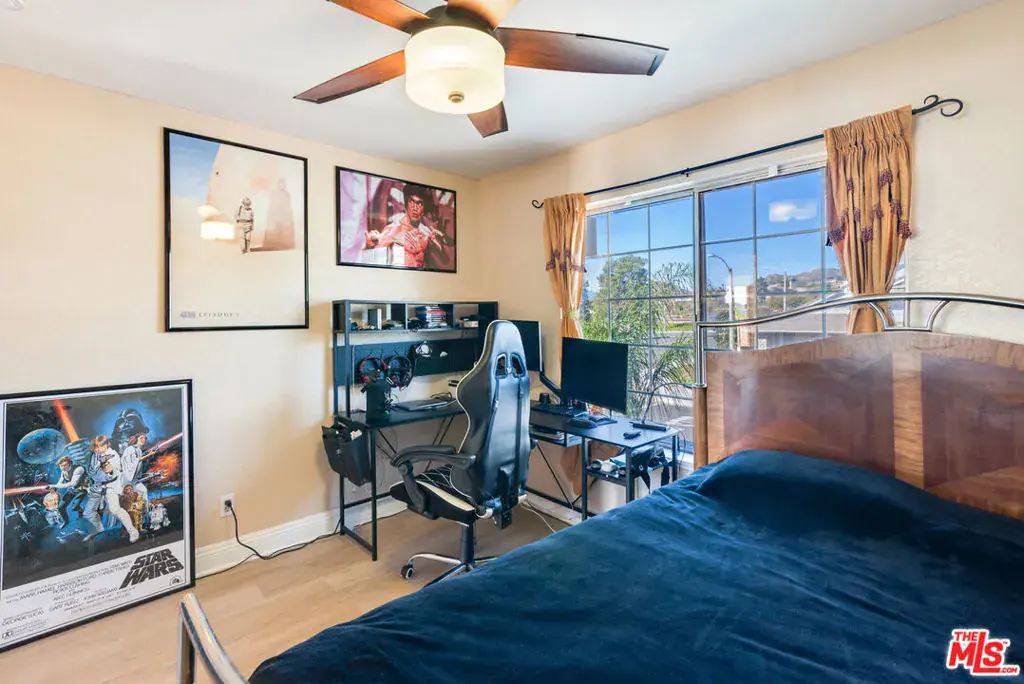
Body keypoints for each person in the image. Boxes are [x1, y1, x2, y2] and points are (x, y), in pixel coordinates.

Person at [365, 184, 445, 269]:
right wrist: (371, 245)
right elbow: (375, 256)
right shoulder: (394, 229)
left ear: (423, 210)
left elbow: (442, 264)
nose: (415, 208)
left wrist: (437, 247)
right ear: (406, 205)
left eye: (419, 203)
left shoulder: (426, 234)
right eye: (412, 202)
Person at [82, 435, 139, 543]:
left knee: (114, 509)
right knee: (88, 511)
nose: (98, 448)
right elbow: (92, 470)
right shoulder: (95, 454)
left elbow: (114, 471)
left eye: (101, 446)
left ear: (107, 444)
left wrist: (109, 471)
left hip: (110, 486)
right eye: (97, 446)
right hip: (97, 486)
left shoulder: (113, 455)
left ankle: (132, 531)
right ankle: (98, 529)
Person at [120, 432, 149, 506]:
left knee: (143, 491)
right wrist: (148, 455)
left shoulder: (139, 450)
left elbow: (138, 464)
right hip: (127, 478)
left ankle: (145, 510)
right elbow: (133, 462)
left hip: (134, 479)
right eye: (141, 438)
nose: (143, 440)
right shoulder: (130, 449)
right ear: (136, 439)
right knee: (125, 498)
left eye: (144, 438)